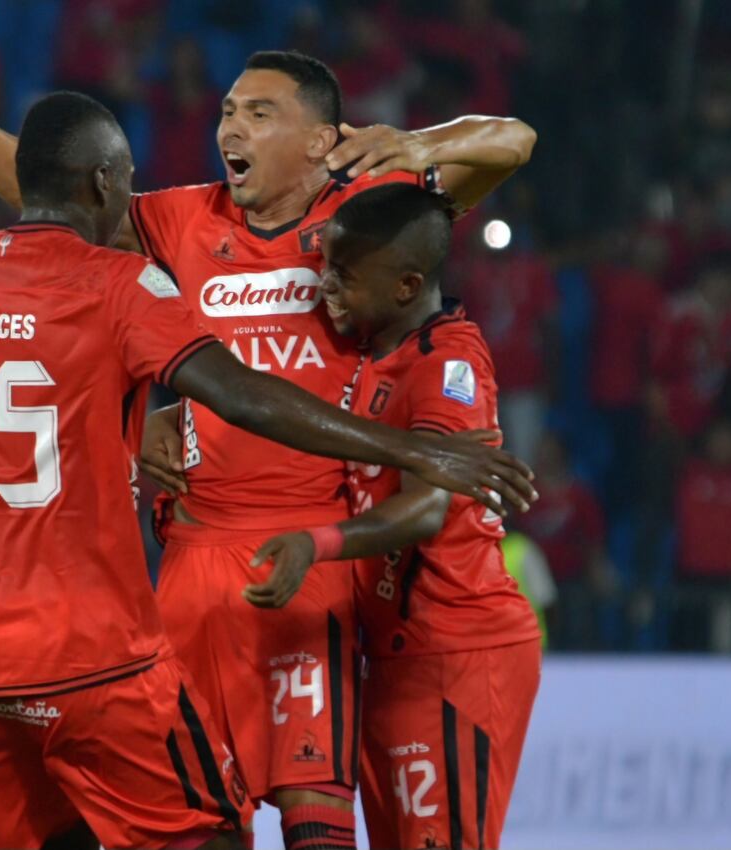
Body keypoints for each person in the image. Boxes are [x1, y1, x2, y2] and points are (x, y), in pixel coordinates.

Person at [0, 49, 536, 844]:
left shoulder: (366, 217)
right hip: (193, 559)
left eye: (260, 113)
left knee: (315, 814)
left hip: (308, 557)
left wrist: (419, 145)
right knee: (197, 818)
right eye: (229, 111)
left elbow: (515, 142)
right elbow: (60, 196)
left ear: (321, 140)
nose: (231, 126)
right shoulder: (183, 220)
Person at [245, 184, 541, 850]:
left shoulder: (446, 364)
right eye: (328, 268)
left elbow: (428, 506)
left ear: (407, 285)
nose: (327, 286)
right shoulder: (373, 350)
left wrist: (316, 543)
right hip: (390, 654)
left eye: (346, 276)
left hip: (452, 650)